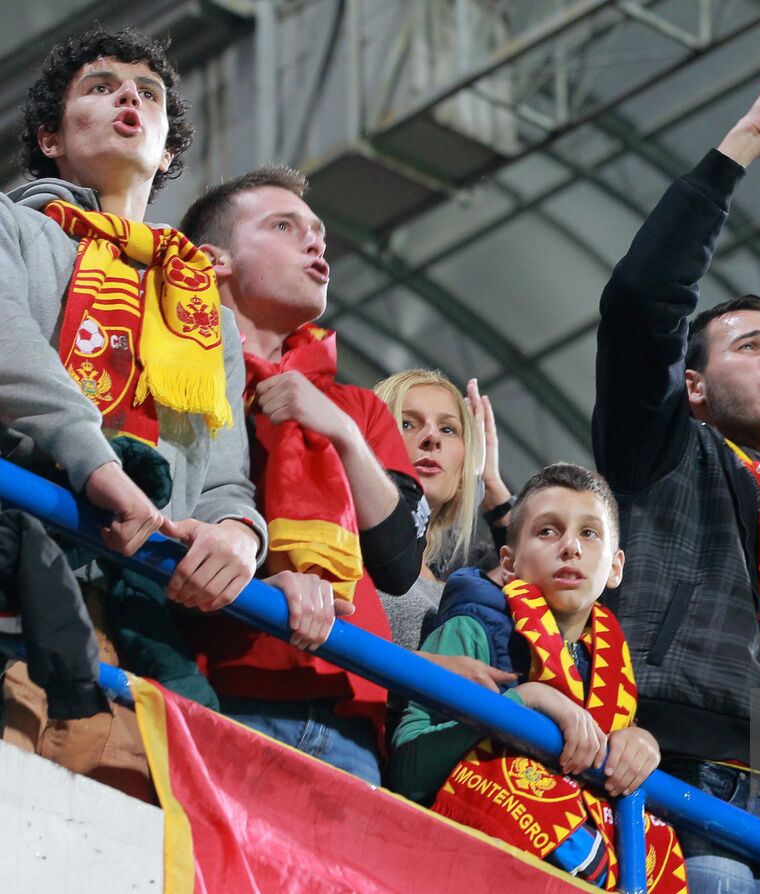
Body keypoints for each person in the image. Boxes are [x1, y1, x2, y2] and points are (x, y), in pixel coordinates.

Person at [592, 77, 760, 890]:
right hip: (684, 789)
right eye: (750, 345)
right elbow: (642, 299)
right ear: (693, 386)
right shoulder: (662, 452)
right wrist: (740, 144)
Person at [0, 27, 265, 793]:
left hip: (139, 639)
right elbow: (12, 357)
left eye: (147, 94)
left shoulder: (200, 309)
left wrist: (239, 539)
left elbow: (225, 480)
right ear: (50, 137)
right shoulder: (15, 228)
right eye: (102, 86)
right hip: (20, 588)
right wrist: (101, 468)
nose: (130, 99)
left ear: (167, 150)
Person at [175, 166, 427, 784]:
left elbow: (398, 559)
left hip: (348, 718)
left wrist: (337, 430)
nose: (316, 243)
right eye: (284, 227)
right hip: (215, 687)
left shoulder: (358, 408)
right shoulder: (175, 373)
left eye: (317, 232)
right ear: (214, 262)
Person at [391, 464, 686, 891]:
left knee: (659, 841)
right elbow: (407, 771)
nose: (570, 547)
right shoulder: (474, 627)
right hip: (466, 865)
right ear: (508, 562)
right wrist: (524, 702)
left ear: (616, 567)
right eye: (547, 531)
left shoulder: (614, 669)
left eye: (590, 534)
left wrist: (641, 744)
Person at [372, 369, 515, 697]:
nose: (431, 438)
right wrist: (426, 670)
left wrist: (490, 484)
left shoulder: (454, 590)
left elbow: (540, 594)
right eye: (407, 423)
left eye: (448, 429)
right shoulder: (337, 542)